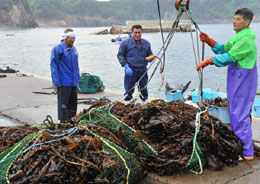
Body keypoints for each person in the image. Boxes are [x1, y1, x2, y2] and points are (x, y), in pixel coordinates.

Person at [197, 8, 258, 161]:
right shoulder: (238, 37)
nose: (234, 21)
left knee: (240, 115)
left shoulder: (246, 40)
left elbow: (229, 57)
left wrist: (209, 61)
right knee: (235, 113)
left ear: (247, 22)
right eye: (234, 18)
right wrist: (209, 40)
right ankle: (241, 147)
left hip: (243, 80)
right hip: (236, 79)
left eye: (238, 19)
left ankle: (246, 152)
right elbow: (223, 49)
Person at [117, 25, 154, 102]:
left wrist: (151, 57)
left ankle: (144, 100)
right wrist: (126, 66)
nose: (137, 35)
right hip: (131, 70)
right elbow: (120, 55)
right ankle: (127, 100)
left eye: (139, 33)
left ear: (141, 33)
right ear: (132, 32)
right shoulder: (125, 43)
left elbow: (149, 53)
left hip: (143, 70)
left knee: (143, 88)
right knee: (129, 89)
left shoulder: (146, 43)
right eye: (135, 33)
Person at [50, 28, 80, 123]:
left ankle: (71, 120)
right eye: (70, 37)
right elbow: (53, 65)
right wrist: (56, 81)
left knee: (73, 103)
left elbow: (76, 65)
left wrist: (77, 78)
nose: (73, 40)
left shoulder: (73, 49)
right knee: (63, 103)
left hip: (73, 81)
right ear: (65, 37)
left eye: (74, 37)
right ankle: (63, 121)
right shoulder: (57, 49)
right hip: (63, 81)